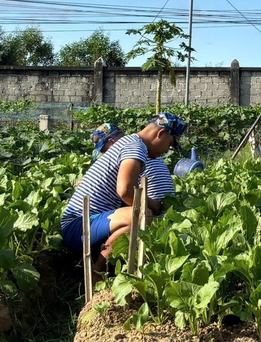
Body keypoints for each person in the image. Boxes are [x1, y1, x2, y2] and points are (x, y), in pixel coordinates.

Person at [61, 112, 186, 267]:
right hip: (78, 227)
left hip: (89, 224)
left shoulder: (133, 143)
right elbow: (125, 191)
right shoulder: (136, 146)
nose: (167, 150)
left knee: (142, 215)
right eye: (170, 144)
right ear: (160, 134)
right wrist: (153, 205)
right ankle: (98, 270)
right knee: (141, 216)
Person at [88, 121, 175, 202]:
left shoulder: (134, 150)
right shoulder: (141, 147)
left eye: (104, 150)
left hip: (153, 205)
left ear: (112, 142)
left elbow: (125, 192)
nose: (106, 154)